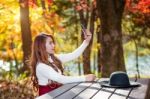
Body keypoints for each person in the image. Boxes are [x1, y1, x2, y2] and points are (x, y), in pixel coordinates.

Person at [30, 29, 96, 96]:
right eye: (50, 43)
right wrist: (84, 78)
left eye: (53, 43)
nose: (53, 45)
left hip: (59, 93)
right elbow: (61, 79)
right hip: (47, 96)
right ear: (41, 46)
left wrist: (86, 42)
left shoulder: (53, 58)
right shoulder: (41, 66)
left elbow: (73, 55)